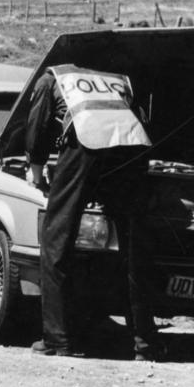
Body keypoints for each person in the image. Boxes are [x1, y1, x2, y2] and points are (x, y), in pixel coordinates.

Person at [25, 63, 152, 357]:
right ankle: (145, 343)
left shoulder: (52, 77)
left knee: (56, 239)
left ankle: (57, 340)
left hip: (85, 144)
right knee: (133, 248)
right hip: (130, 149)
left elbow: (37, 129)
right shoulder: (119, 76)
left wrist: (37, 172)